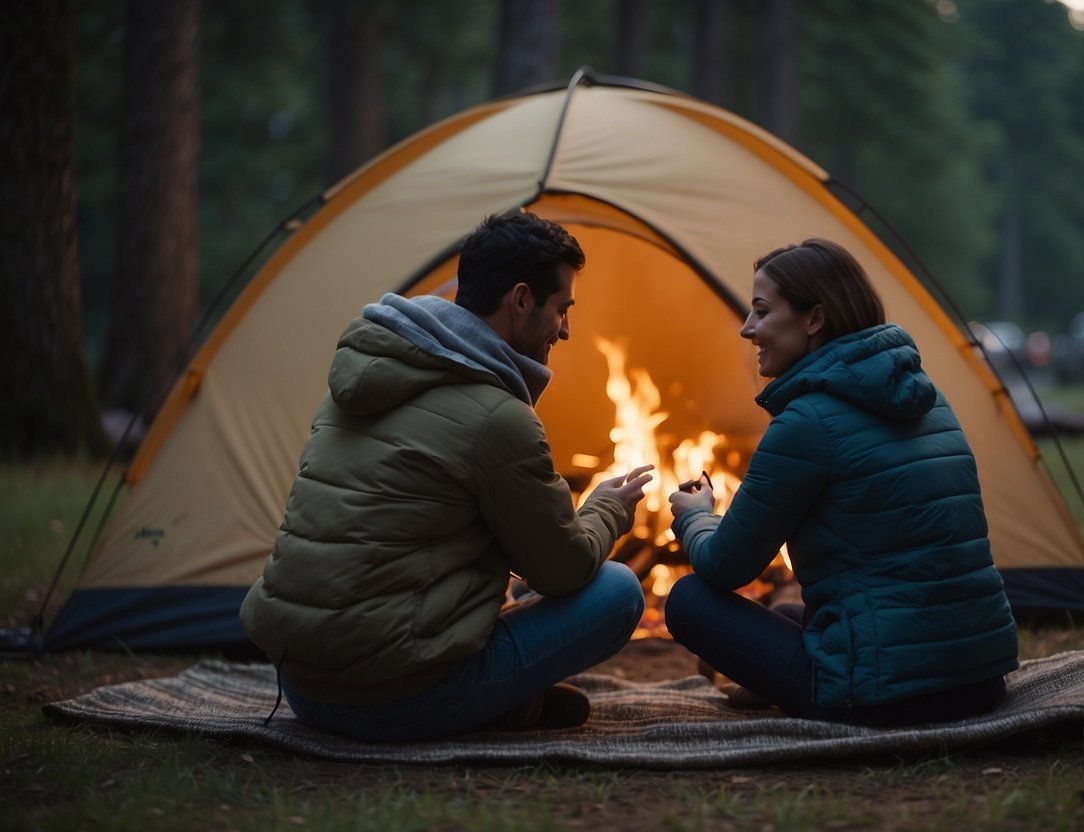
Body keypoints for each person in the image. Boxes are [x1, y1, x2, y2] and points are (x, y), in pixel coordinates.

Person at [240, 212, 653, 742]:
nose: (566, 330)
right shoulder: (497, 417)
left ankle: (502, 700)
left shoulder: (359, 381)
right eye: (562, 309)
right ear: (521, 300)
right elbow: (564, 570)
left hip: (302, 687)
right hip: (395, 702)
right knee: (618, 591)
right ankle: (491, 702)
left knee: (507, 588)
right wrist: (607, 510)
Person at [665, 238, 1019, 728]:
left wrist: (696, 516)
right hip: (980, 677)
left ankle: (782, 685)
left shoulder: (806, 422)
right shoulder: (929, 399)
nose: (747, 329)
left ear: (814, 320)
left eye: (762, 312)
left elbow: (725, 566)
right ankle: (763, 679)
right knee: (791, 615)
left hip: (886, 698)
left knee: (690, 601)